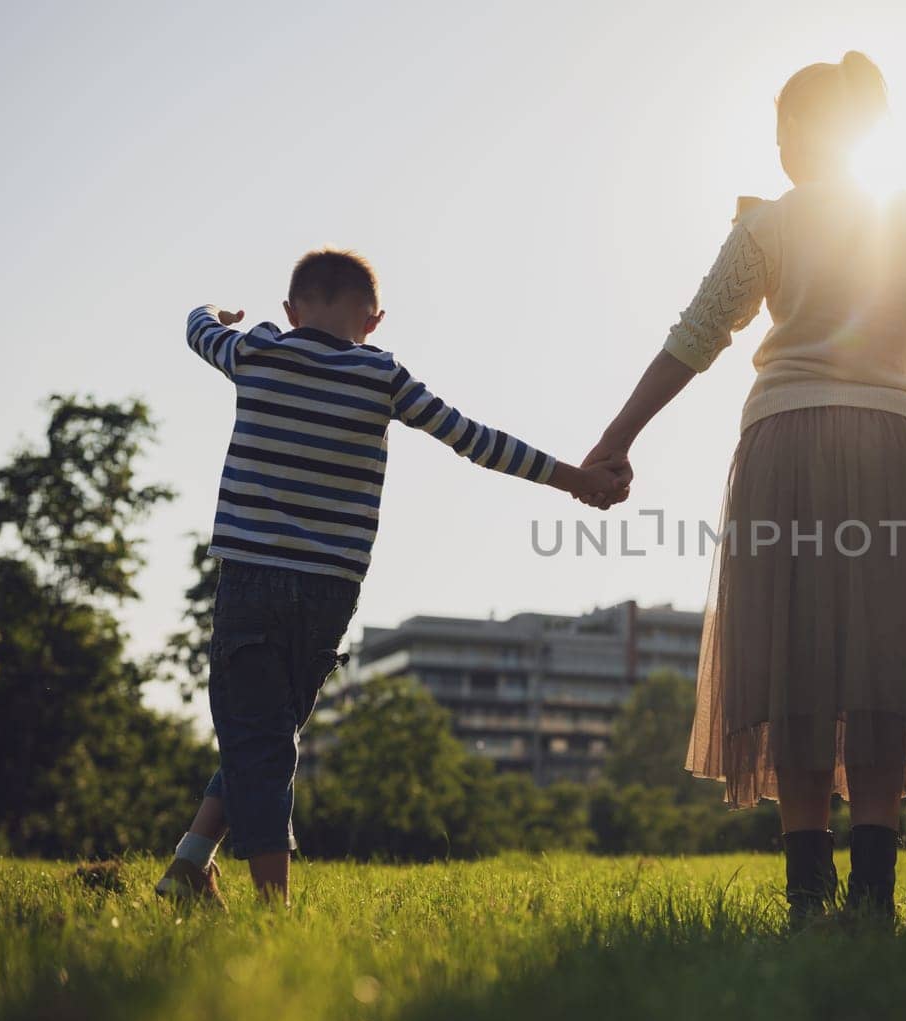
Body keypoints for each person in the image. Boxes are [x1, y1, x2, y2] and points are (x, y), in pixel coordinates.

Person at [580, 52, 906, 928]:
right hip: (888, 445)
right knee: (886, 663)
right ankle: (871, 898)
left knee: (794, 663)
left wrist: (616, 440)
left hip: (786, 445)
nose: (775, 146)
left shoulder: (769, 225)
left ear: (809, 131)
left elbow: (695, 337)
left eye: (781, 128)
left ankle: (810, 896)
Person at [156, 249, 628, 906]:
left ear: (290, 310)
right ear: (374, 319)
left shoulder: (257, 349)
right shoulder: (381, 374)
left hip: (251, 579)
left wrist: (219, 312)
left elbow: (196, 326)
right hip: (328, 591)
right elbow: (474, 438)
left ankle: (246, 896)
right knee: (267, 732)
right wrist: (575, 480)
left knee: (258, 731)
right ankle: (215, 877)